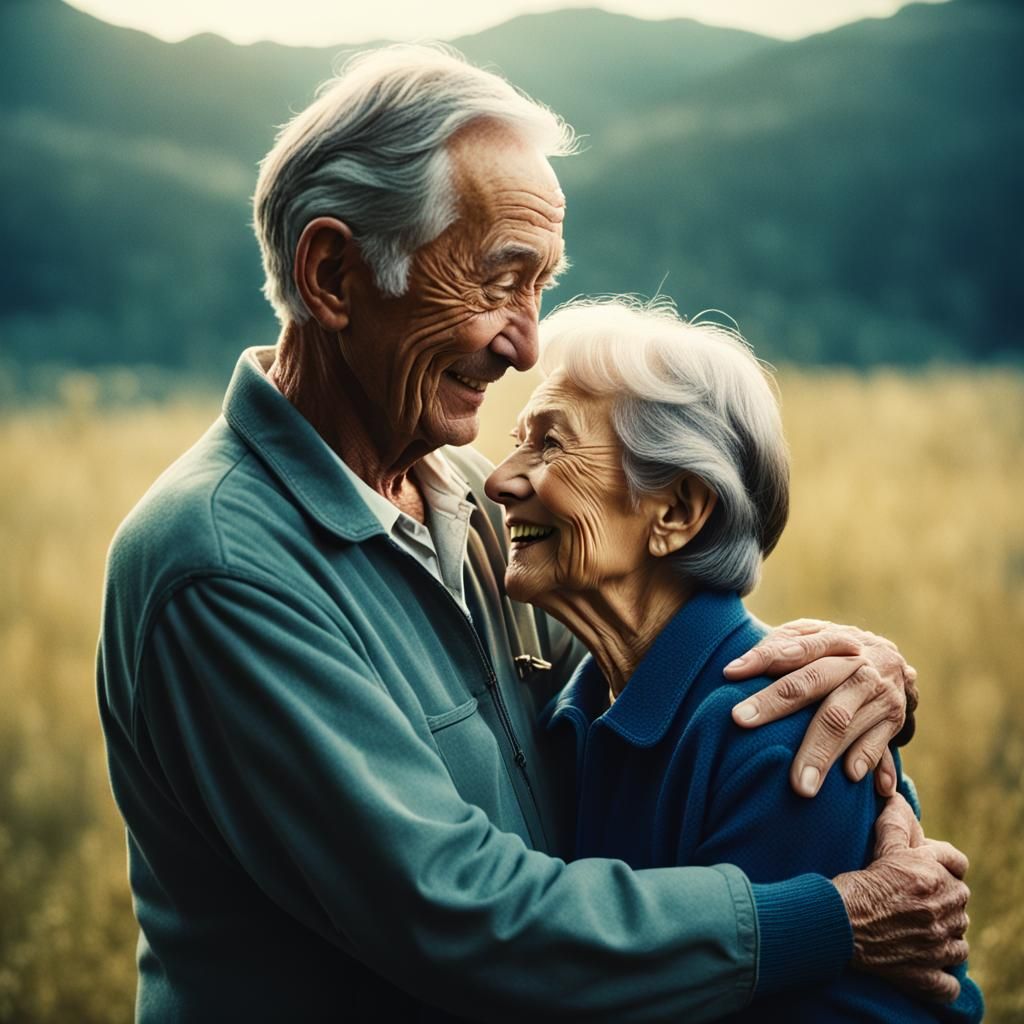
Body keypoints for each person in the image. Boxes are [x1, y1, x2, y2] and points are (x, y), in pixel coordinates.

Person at [97, 45, 970, 1022]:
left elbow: (657, 647)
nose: (523, 341)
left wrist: (869, 671)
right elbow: (461, 918)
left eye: (540, 285)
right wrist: (830, 922)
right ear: (334, 273)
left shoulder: (470, 497)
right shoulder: (221, 566)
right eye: (499, 281)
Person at [485, 297, 982, 1021]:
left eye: (551, 445)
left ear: (679, 511)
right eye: (517, 441)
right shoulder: (578, 710)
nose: (500, 478)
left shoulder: (787, 739)